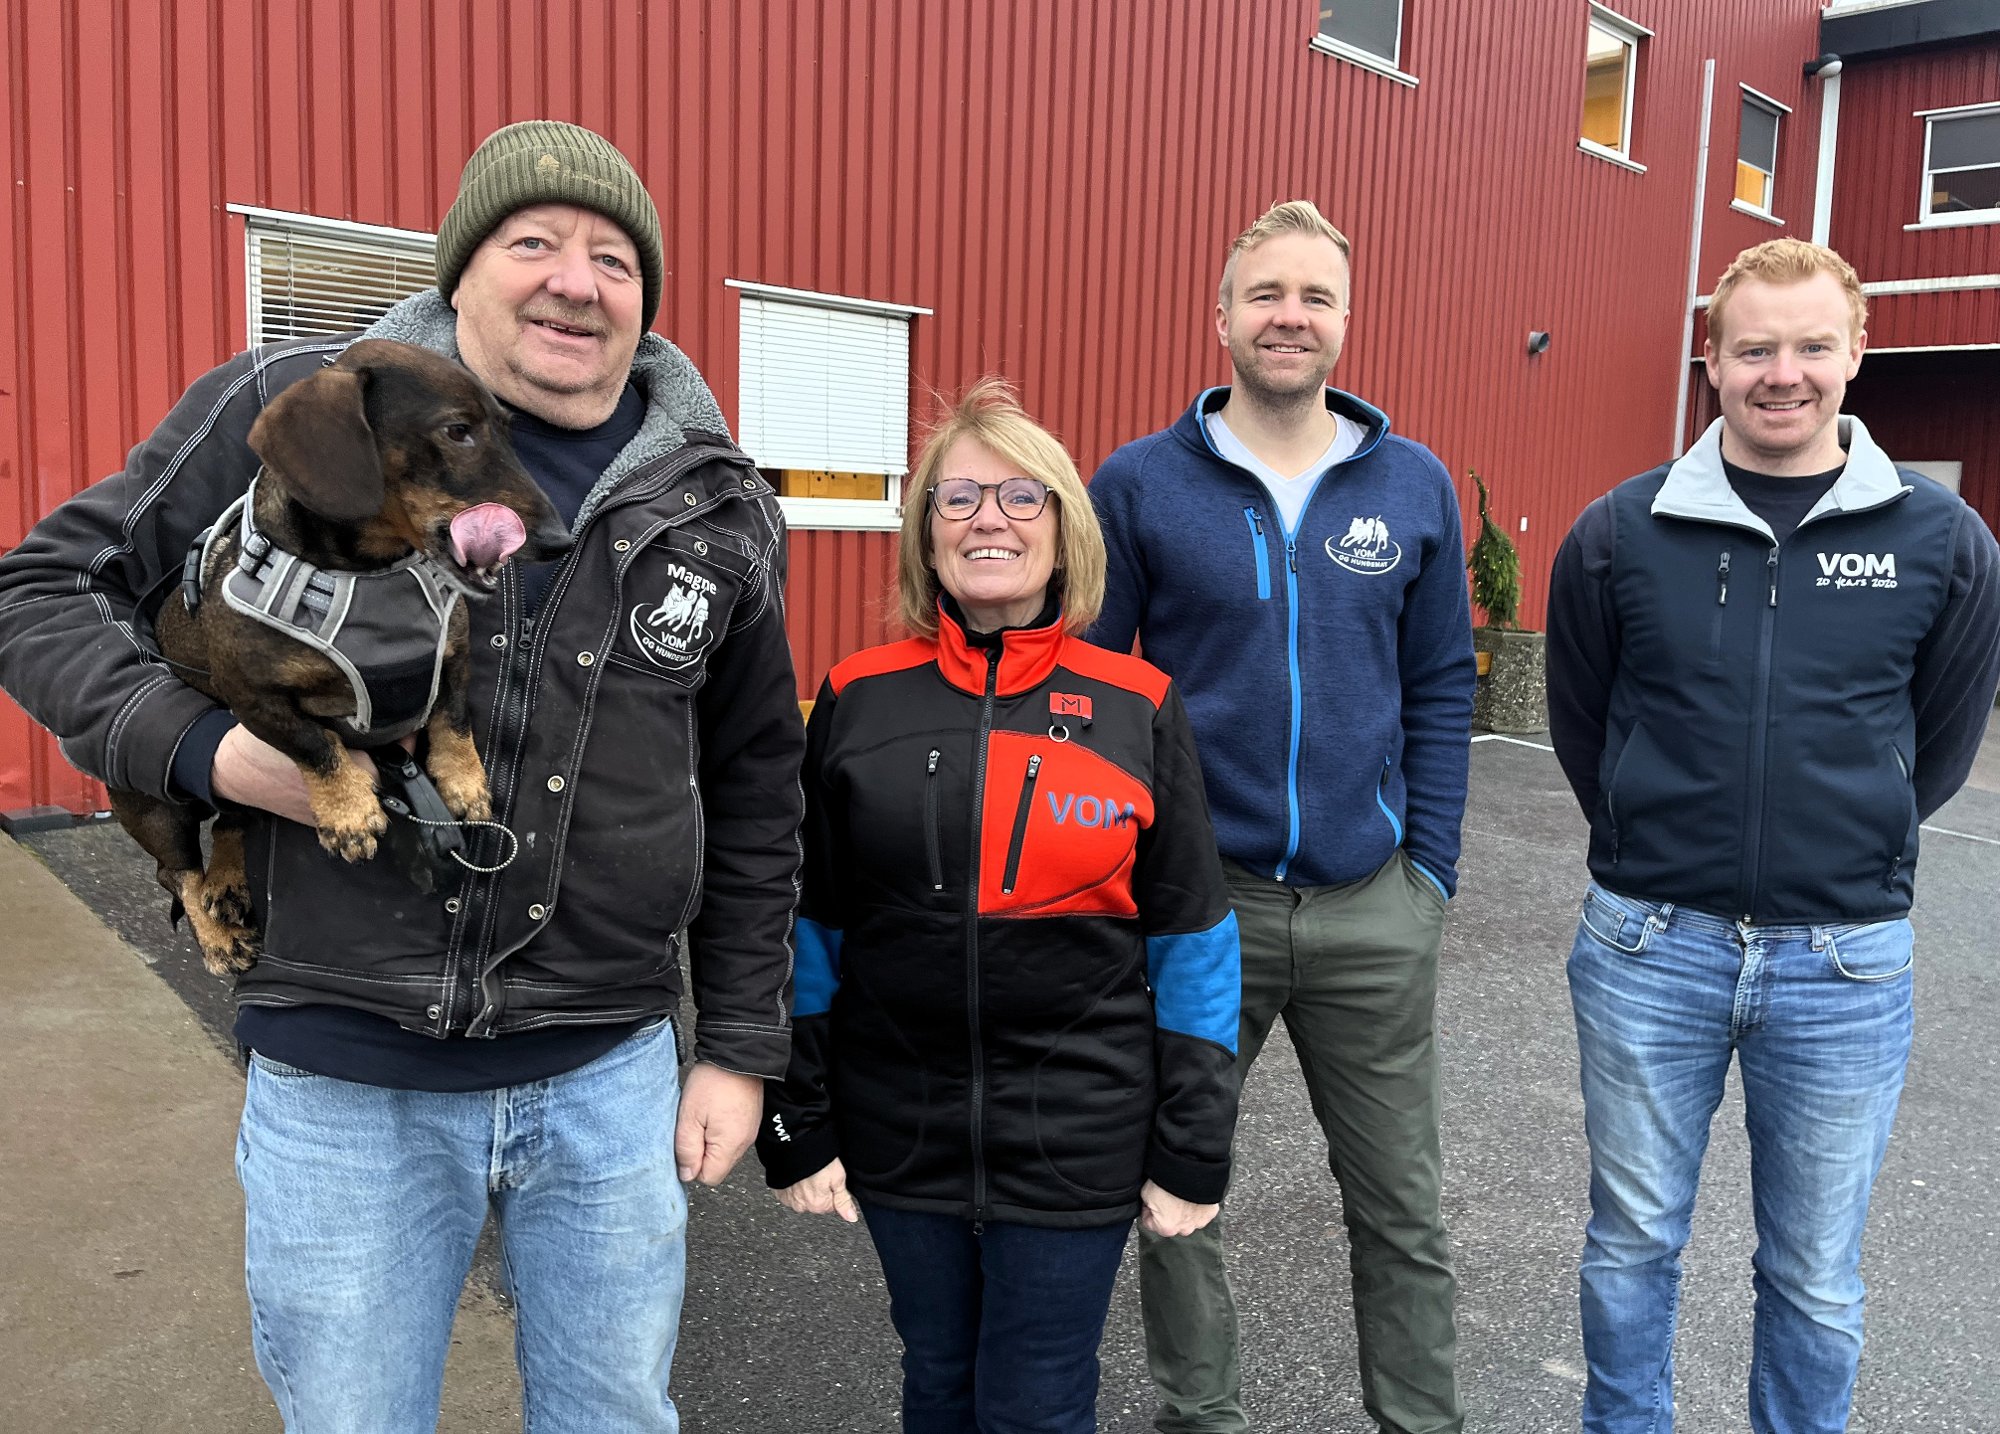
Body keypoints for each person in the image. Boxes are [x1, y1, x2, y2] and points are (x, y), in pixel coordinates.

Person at [0, 120, 805, 1431]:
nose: (575, 280)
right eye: (532, 241)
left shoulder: (716, 501)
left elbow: (760, 782)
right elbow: (42, 592)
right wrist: (204, 752)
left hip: (606, 1070)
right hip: (346, 1075)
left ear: (646, 297)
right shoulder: (303, 407)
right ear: (461, 269)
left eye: (614, 258)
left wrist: (739, 1047)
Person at [1546, 237, 2000, 1433]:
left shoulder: (1940, 541)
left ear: (1855, 354)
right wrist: (1652, 833)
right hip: (1648, 950)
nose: (1780, 373)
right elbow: (1585, 727)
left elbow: (1939, 742)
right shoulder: (1619, 531)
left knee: (1813, 1274)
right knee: (1630, 1243)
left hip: (1842, 965)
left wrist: (1849, 835)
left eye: (1808, 347)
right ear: (1711, 361)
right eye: (1752, 349)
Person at [756, 380, 1241, 1434]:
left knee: (1037, 1400)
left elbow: (1194, 941)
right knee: (936, 1378)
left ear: (1064, 532)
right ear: (925, 533)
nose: (990, 518)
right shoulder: (856, 695)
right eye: (959, 496)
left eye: (1023, 496)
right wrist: (797, 1118)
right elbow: (808, 927)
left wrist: (1193, 1147)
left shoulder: (1138, 704)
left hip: (1079, 1125)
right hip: (900, 1124)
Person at [1088, 200, 1475, 1434]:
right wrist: (1128, 870)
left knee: (1400, 1208)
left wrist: (1429, 871)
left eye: (1312, 296)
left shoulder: (1410, 485)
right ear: (1220, 318)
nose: (1287, 317)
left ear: (1345, 321)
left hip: (1372, 907)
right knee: (1175, 1190)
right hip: (1205, 910)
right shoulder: (1139, 483)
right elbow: (1086, 687)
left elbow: (1440, 686)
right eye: (1264, 294)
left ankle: (1419, 1423)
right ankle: (1201, 1417)